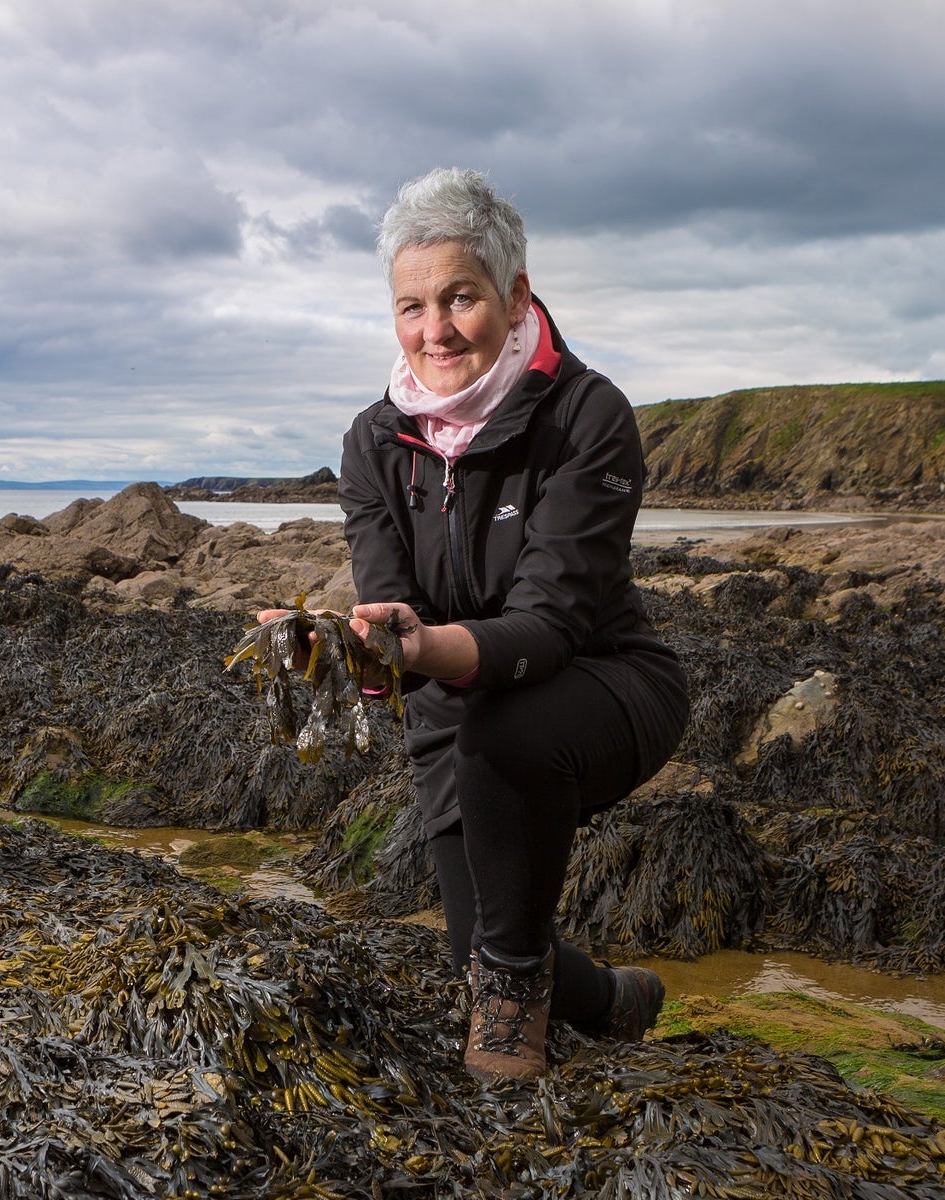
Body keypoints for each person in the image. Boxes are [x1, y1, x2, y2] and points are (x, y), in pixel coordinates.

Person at [266, 168, 689, 1083]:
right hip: (457, 709)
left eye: (460, 297)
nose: (435, 330)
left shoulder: (587, 415)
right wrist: (339, 647)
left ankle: (509, 1023)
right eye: (411, 306)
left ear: (516, 294)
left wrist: (417, 648)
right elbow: (390, 614)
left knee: (510, 733)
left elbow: (547, 624)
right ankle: (614, 1001)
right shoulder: (373, 442)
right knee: (479, 934)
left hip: (605, 683)